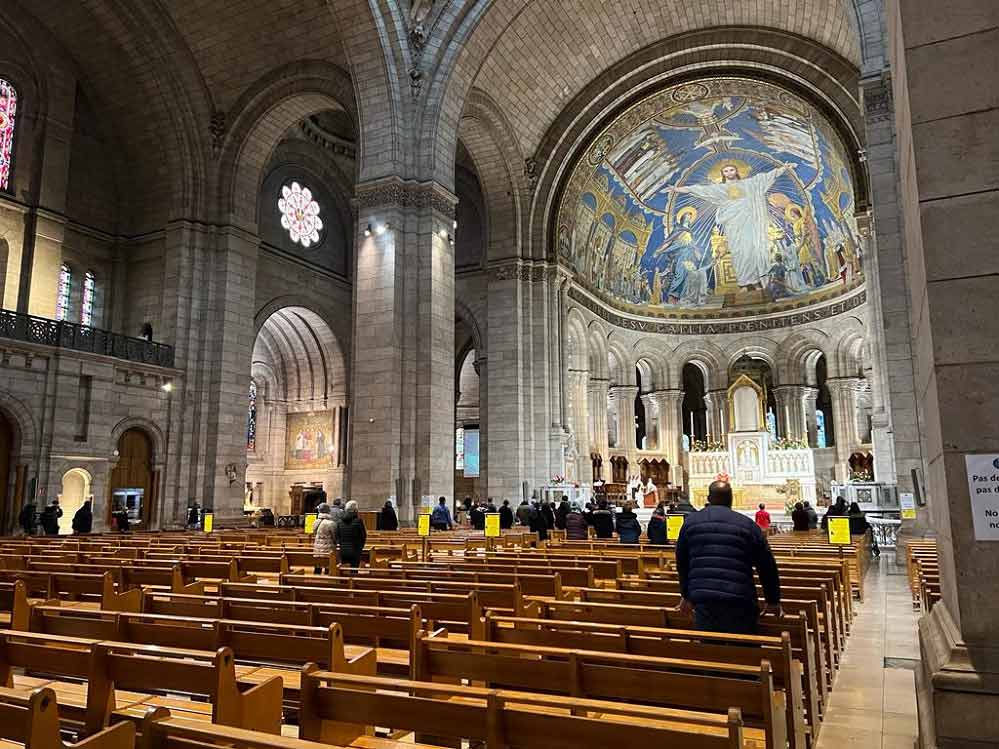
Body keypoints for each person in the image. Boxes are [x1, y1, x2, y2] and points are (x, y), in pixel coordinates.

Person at [676, 480, 782, 634]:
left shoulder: (690, 523)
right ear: (731, 498)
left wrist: (686, 595)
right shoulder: (747, 525)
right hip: (740, 597)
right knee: (744, 651)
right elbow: (766, 566)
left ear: (709, 498)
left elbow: (682, 563)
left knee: (710, 651)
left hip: (704, 599)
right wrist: (772, 599)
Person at [335, 500, 367, 569]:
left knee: (344, 570)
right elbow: (363, 536)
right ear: (356, 510)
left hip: (343, 550)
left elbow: (337, 536)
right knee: (354, 571)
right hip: (355, 550)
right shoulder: (358, 521)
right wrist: (360, 547)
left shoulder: (340, 521)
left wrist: (341, 545)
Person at [312, 503, 335, 574]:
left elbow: (314, 533)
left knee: (318, 566)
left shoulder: (315, 522)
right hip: (328, 548)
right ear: (328, 511)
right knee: (328, 567)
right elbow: (334, 536)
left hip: (317, 548)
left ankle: (316, 580)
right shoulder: (331, 523)